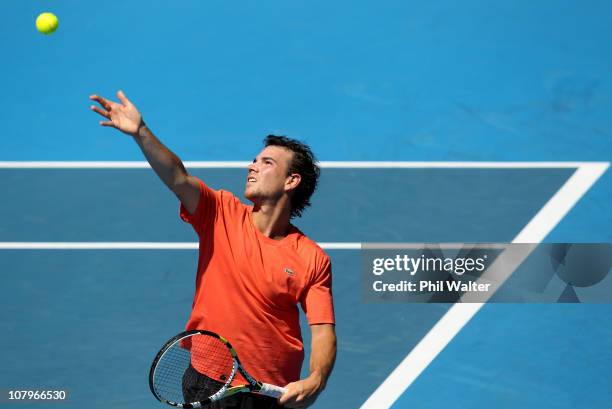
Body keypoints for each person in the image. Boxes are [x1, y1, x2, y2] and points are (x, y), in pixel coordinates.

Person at [89, 91, 337, 409]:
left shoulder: (311, 258)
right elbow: (178, 177)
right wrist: (141, 132)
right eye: (254, 160)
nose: (252, 166)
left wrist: (316, 378)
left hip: (270, 391)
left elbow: (322, 331)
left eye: (266, 163)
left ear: (291, 180)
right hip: (207, 380)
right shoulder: (219, 212)